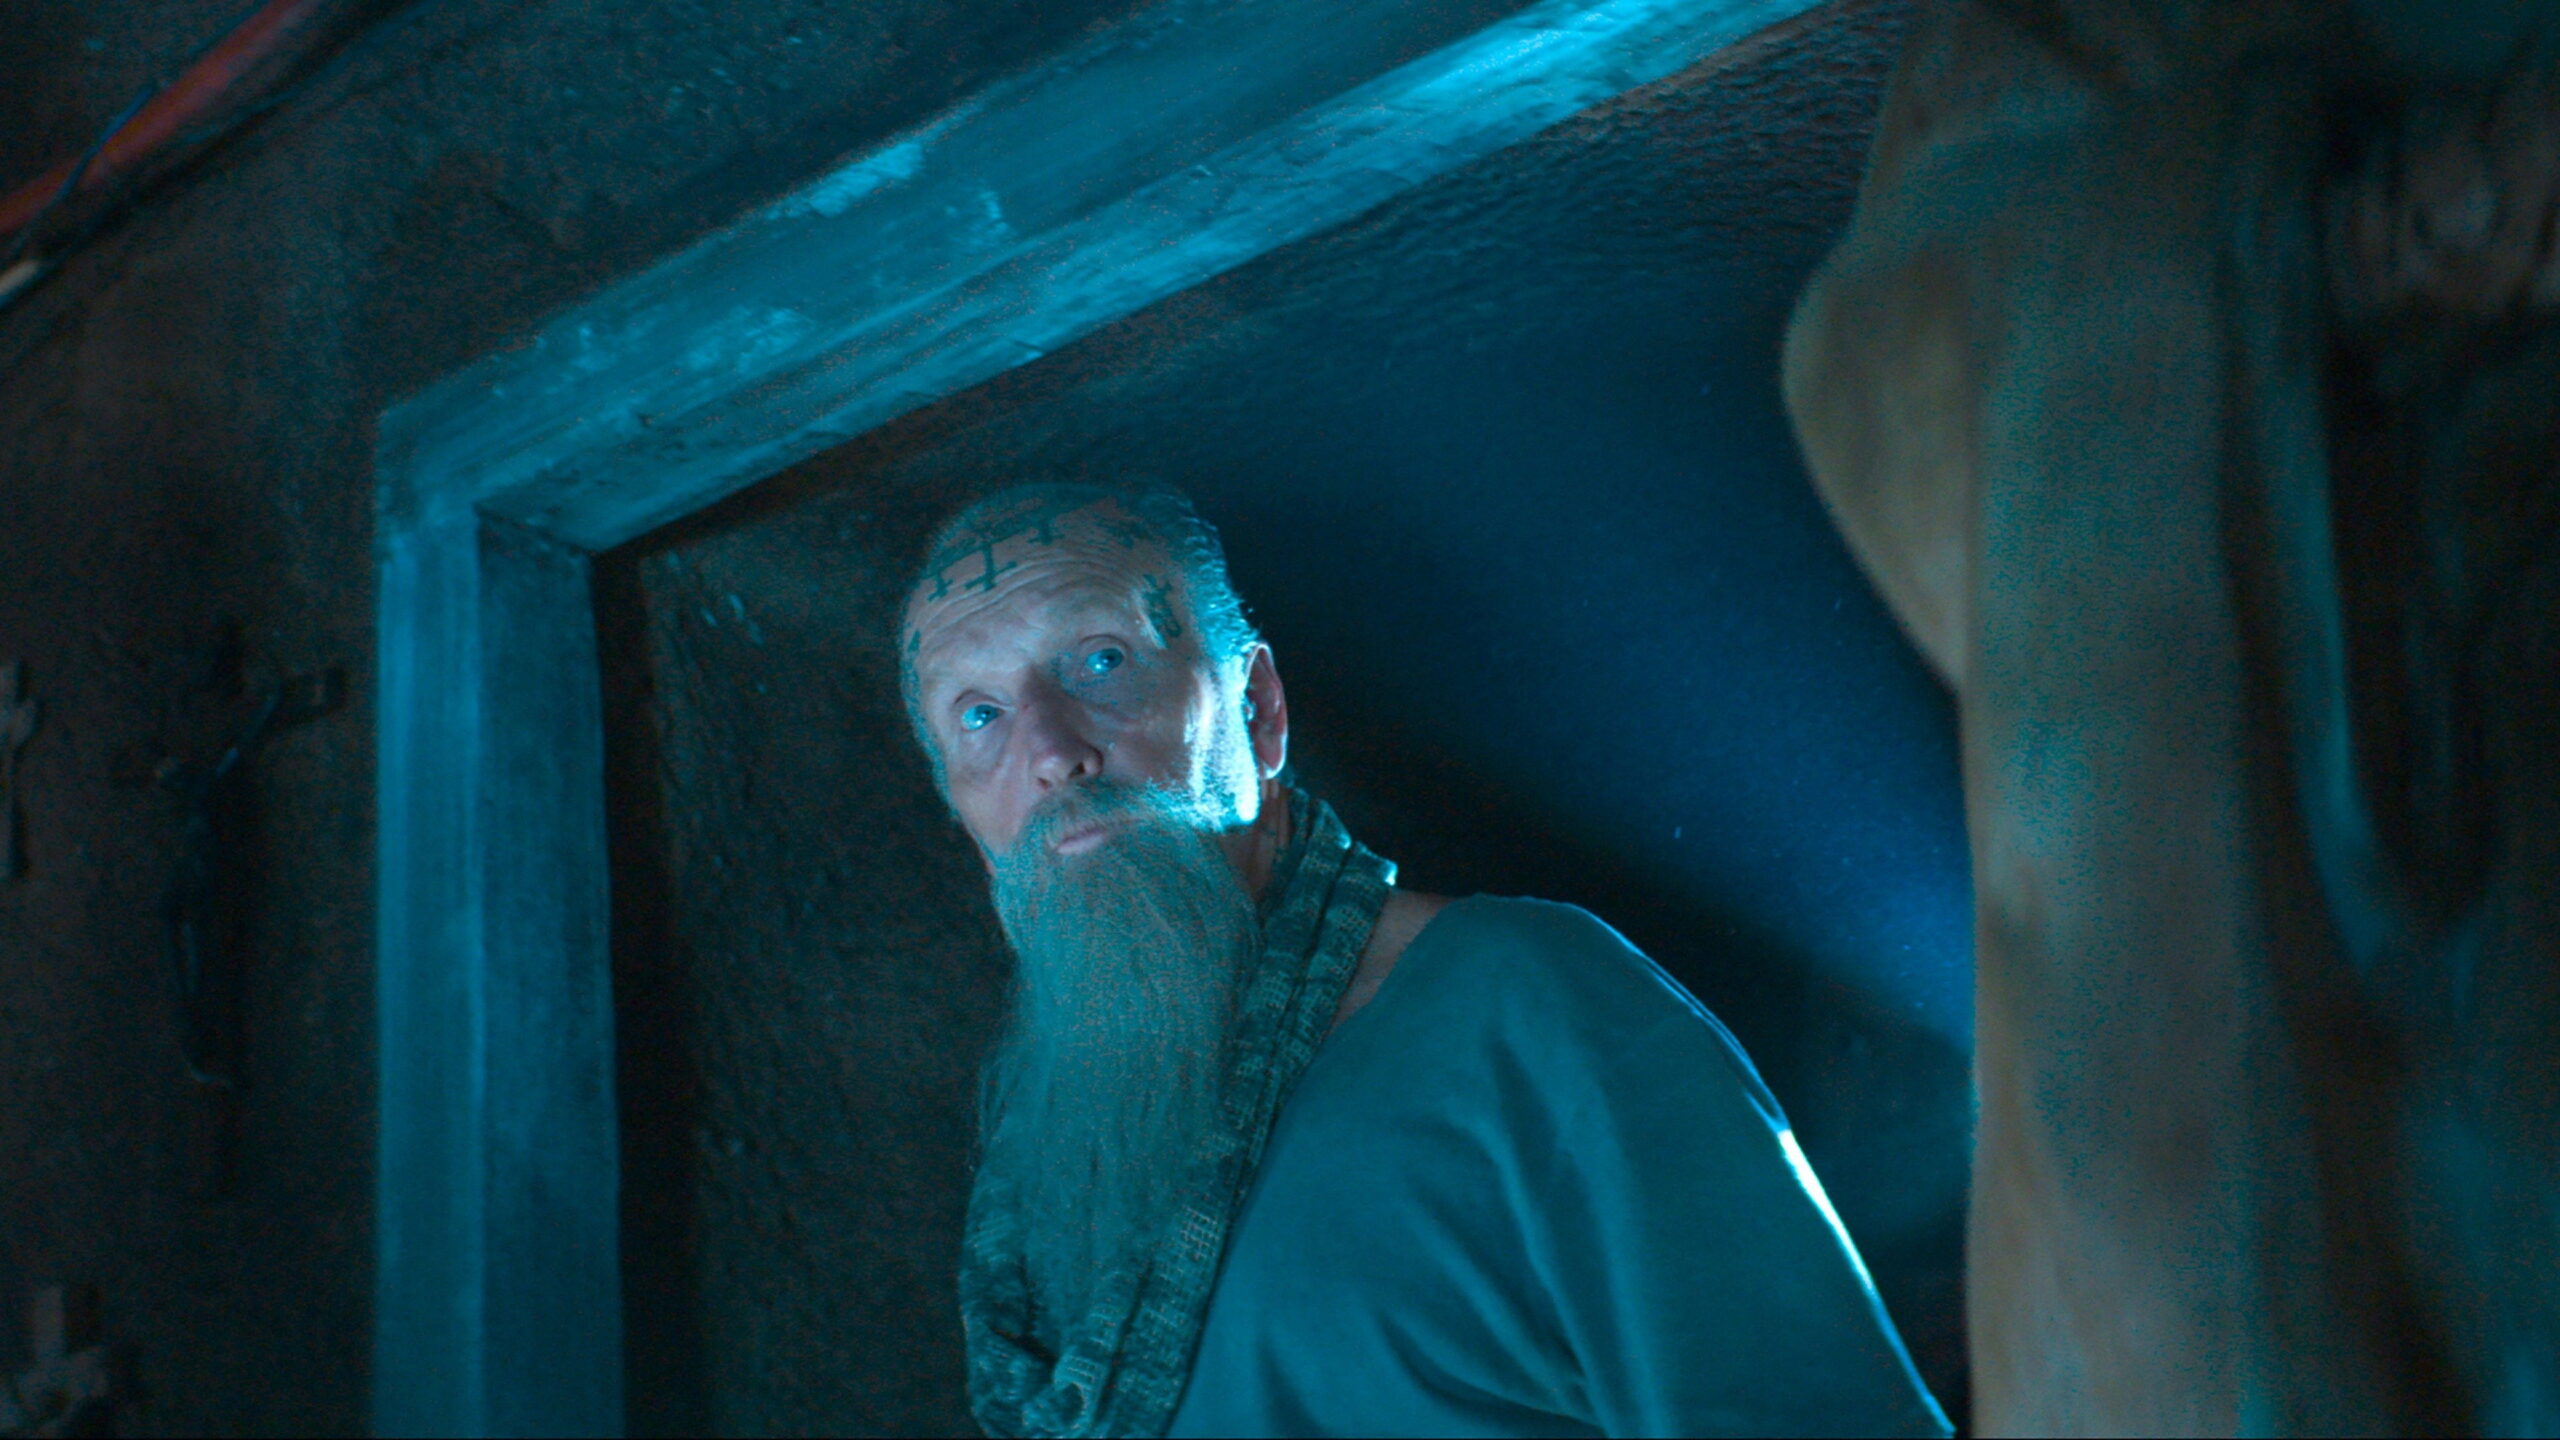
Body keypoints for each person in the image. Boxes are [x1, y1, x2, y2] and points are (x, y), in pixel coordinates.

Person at [900, 479, 1945, 1438]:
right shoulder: (1047, 1165)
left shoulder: (1525, 1005)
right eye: (979, 714)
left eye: (1101, 661)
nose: (1052, 753)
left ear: (1258, 712)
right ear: (966, 822)